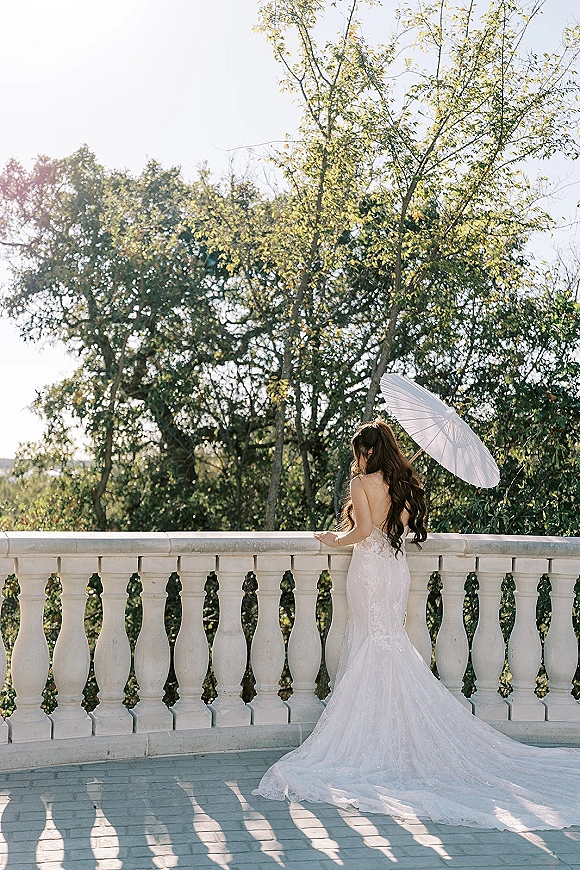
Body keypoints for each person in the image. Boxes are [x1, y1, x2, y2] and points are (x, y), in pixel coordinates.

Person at [253, 419, 580, 831]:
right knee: (387, 642)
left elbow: (363, 530)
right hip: (395, 569)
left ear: (367, 451)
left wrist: (331, 539)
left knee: (372, 643)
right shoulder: (403, 483)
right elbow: (397, 528)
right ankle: (393, 729)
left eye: (359, 452)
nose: (357, 458)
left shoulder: (361, 482)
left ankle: (372, 734)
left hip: (370, 570)